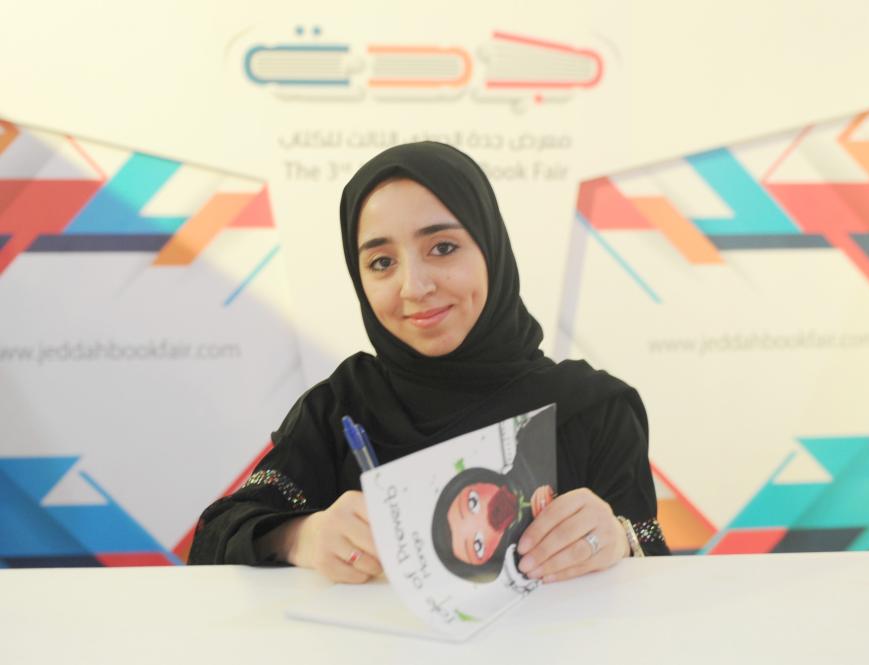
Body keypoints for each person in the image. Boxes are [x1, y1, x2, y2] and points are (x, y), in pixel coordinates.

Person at [188, 141, 669, 584]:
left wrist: (618, 539)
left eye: (442, 248)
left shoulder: (593, 409)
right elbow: (215, 537)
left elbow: (656, 571)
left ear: (491, 249)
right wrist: (299, 537)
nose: (414, 287)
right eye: (382, 262)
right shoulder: (341, 407)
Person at [431, 405, 557, 583]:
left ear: (476, 479)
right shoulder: (529, 566)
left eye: (473, 503)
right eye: (478, 545)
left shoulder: (533, 440)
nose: (487, 517)